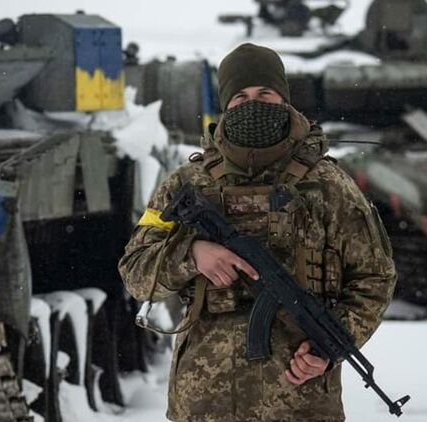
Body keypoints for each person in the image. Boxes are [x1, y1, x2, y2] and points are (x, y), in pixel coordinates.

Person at [118, 42, 397, 421]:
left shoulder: (328, 185)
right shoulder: (187, 183)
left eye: (265, 93)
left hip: (299, 403)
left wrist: (328, 349)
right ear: (225, 105)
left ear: (284, 99)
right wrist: (192, 255)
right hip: (202, 403)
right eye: (241, 97)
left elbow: (375, 278)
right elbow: (135, 271)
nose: (253, 104)